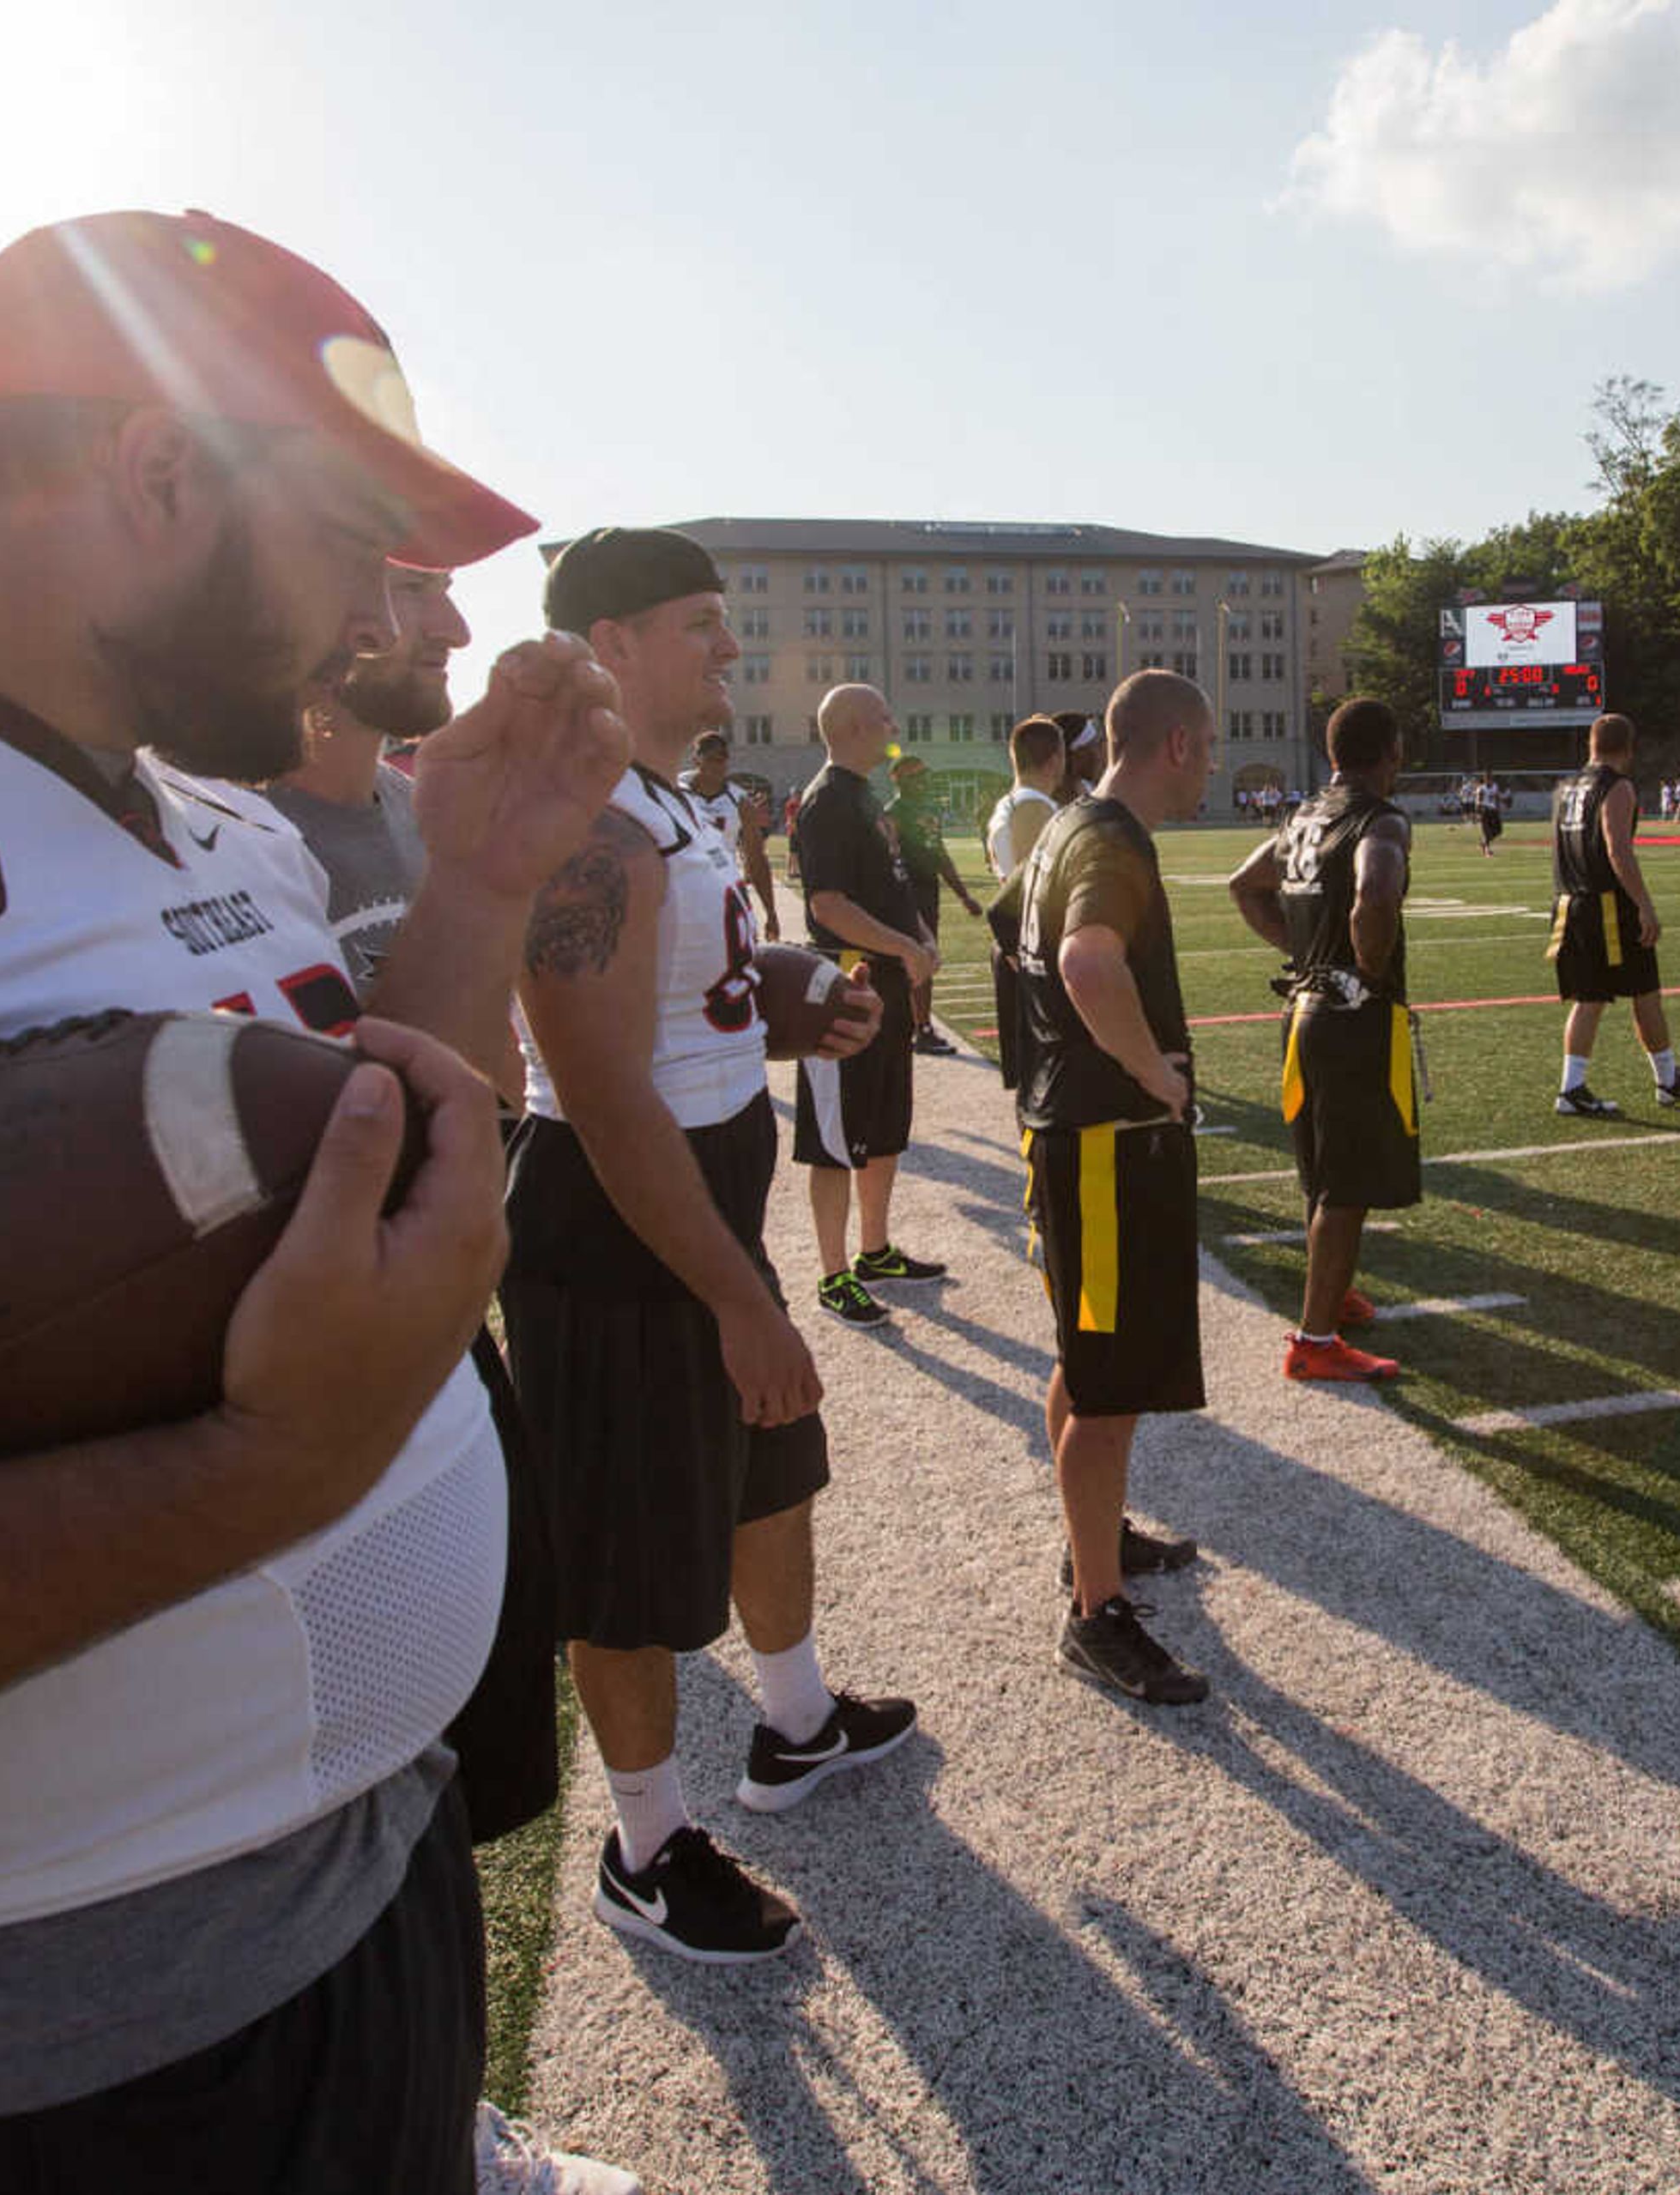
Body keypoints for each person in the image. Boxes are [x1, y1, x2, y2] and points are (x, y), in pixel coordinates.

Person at [0, 209, 627, 2194]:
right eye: (349, 542)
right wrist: (262, 1478)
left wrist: (482, 886)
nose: (371, 616)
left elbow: (362, 1161)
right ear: (160, 472)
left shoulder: (207, 808)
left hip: (345, 1898)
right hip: (15, 2077)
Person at [253, 573, 635, 2195]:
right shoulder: (216, 828)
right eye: (402, 584)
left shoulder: (418, 818)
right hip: (281, 1400)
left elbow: (464, 1087)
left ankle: (439, 2112)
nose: (456, 632)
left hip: (424, 1352)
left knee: (428, 1787)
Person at [513, 527, 913, 1969]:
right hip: (618, 1217)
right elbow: (605, 1092)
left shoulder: (676, 806)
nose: (730, 650)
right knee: (627, 1546)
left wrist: (803, 998)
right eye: (700, 624)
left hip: (702, 1182)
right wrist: (744, 1296)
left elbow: (700, 999)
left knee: (769, 1459)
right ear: (611, 644)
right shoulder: (585, 822)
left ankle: (794, 1722)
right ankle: (644, 1842)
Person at [998, 669, 1219, 1703]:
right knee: (1109, 1385)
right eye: (1207, 747)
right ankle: (1094, 1612)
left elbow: (1011, 934)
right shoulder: (1109, 839)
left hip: (1072, 1130)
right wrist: (1152, 1070)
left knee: (1085, 1360)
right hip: (1107, 1144)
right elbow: (1087, 962)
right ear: (1175, 744)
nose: (1211, 766)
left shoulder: (1059, 827)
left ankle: (1095, 1546)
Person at [1226, 696, 1413, 1383]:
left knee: (1323, 1167)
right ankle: (1314, 1339)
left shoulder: (1302, 814)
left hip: (1302, 1009)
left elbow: (1245, 887)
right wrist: (1364, 966)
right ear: (1389, 750)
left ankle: (1330, 1295)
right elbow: (1376, 892)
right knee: (1347, 1181)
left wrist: (1306, 954)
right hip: (1351, 1018)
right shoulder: (1380, 817)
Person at [789, 685, 947, 1326]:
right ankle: (832, 1276)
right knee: (833, 1137)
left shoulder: (865, 795)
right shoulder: (828, 800)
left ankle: (874, 1250)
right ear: (854, 726)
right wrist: (902, 946)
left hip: (882, 980)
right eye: (883, 715)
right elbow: (827, 905)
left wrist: (919, 937)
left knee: (884, 1122)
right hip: (841, 988)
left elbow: (892, 882)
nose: (894, 722)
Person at [1550, 714, 1680, 1119]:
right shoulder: (1617, 786)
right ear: (1628, 747)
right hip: (1606, 903)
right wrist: (1644, 904)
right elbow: (1617, 849)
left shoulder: (1567, 786)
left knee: (1617, 993)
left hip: (1569, 899)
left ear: (1591, 744)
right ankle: (1595, 1087)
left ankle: (1653, 1079)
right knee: (1619, 994)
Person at [984, 715, 1073, 1094]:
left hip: (1019, 945)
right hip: (1028, 947)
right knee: (1041, 1080)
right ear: (1055, 760)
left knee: (1033, 1078)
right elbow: (1028, 892)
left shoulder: (1008, 804)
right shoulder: (1033, 810)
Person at [888, 752, 987, 1055]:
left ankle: (921, 1026)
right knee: (911, 959)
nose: (923, 781)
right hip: (905, 891)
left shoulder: (930, 808)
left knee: (926, 959)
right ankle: (916, 1027)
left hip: (928, 889)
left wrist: (963, 894)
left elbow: (939, 854)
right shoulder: (894, 812)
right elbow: (888, 856)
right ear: (899, 780)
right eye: (916, 776)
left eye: (925, 774)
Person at [678, 727, 782, 939]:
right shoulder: (676, 791)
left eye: (724, 759)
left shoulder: (740, 803)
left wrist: (771, 912)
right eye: (713, 759)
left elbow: (756, 858)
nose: (720, 765)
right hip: (684, 889)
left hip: (723, 885)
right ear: (697, 760)